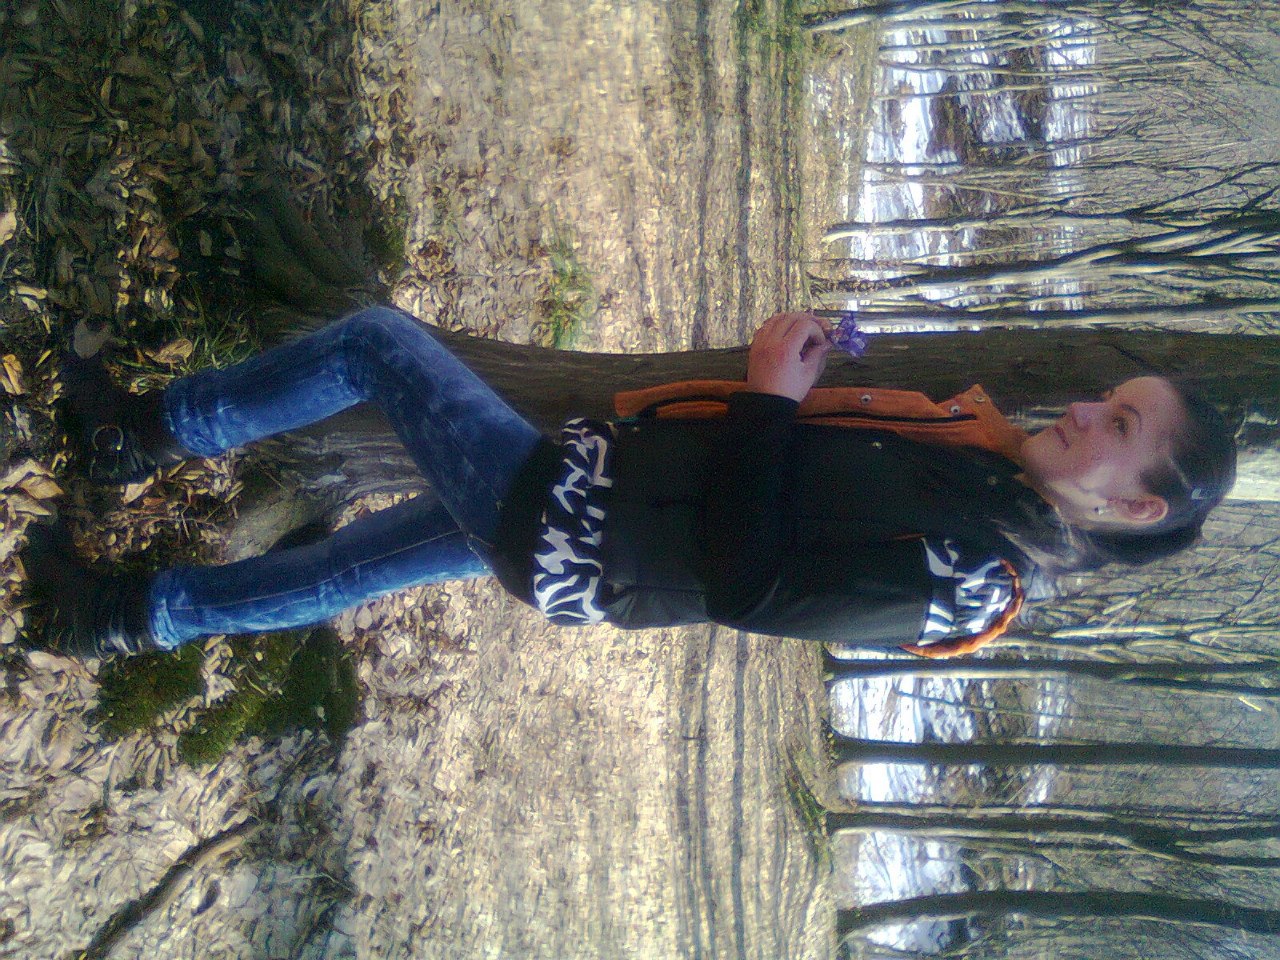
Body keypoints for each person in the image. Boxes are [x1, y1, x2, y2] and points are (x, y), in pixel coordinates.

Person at [20, 306, 1236, 660]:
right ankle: (122, 618)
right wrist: (799, 383)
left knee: (375, 347)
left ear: (1135, 505)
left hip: (573, 533)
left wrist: (769, 399)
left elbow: (753, 589)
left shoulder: (976, 584)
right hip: (583, 502)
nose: (1086, 409)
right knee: (351, 565)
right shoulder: (978, 461)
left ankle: (140, 434)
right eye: (1108, 395)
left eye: (1118, 423)